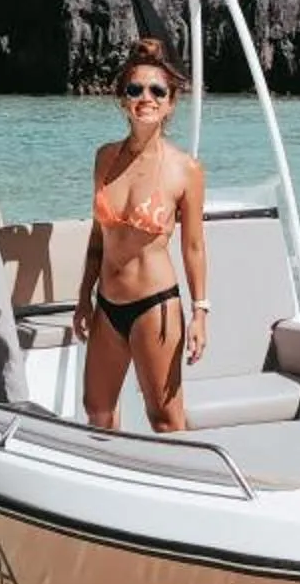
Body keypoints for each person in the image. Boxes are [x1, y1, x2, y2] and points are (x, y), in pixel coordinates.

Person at [74, 36, 208, 431]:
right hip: (107, 306)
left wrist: (201, 312)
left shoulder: (186, 170)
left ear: (170, 103)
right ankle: (110, 483)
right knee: (97, 410)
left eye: (156, 91)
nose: (145, 97)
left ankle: (191, 487)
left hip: (156, 307)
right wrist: (83, 297)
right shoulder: (104, 157)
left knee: (165, 418)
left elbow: (195, 246)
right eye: (135, 89)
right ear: (123, 100)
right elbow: (99, 238)